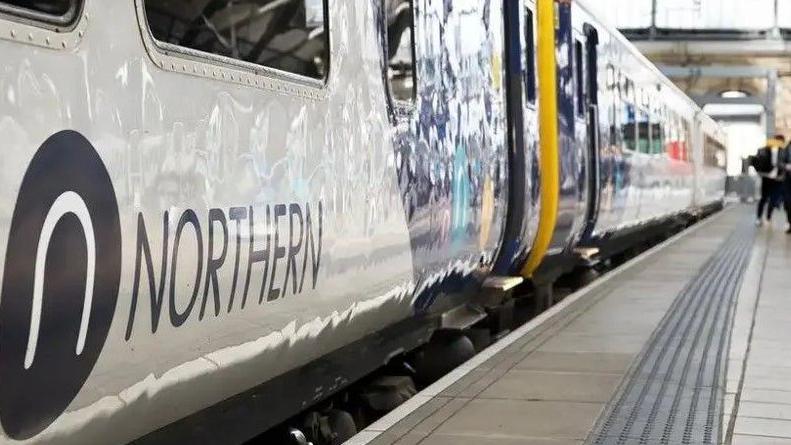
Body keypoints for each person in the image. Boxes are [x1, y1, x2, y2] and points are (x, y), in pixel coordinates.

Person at [752, 134, 786, 226]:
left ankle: (768, 217)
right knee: (763, 198)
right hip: (766, 178)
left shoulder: (784, 151)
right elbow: (755, 161)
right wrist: (759, 172)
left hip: (778, 180)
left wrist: (783, 175)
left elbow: (786, 164)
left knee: (773, 200)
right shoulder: (763, 150)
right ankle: (758, 218)